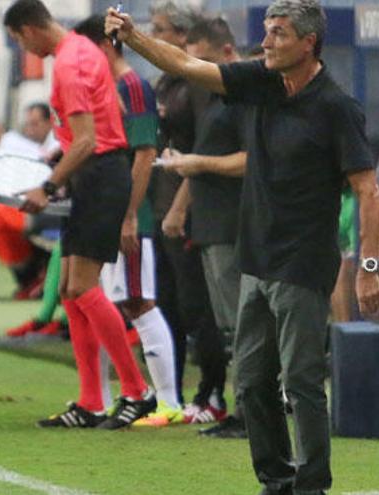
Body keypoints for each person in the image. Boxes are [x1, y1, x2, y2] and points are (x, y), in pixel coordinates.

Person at [107, 1, 379, 493]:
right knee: (252, 381)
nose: (268, 41)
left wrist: (367, 266)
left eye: (279, 34)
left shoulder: (336, 107)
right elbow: (187, 65)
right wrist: (133, 38)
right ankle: (276, 480)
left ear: (308, 43)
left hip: (303, 263)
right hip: (254, 259)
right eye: (267, 31)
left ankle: (312, 484)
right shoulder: (259, 80)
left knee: (300, 382)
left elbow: (367, 189)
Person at [4, 0, 156, 429]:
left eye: (18, 41)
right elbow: (111, 118)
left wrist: (48, 186)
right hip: (95, 173)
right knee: (71, 288)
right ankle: (91, 400)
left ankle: (136, 390)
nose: (24, 49)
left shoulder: (70, 63)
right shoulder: (84, 50)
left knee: (85, 288)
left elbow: (87, 140)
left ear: (29, 30)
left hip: (100, 172)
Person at [74, 14, 182, 426]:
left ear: (104, 47)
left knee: (139, 301)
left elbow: (144, 153)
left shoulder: (132, 87)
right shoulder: (110, 88)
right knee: (108, 302)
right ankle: (107, 398)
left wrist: (130, 214)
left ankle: (169, 403)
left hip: (129, 216)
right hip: (109, 212)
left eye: (85, 52)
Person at [160, 17, 247, 434]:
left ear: (227, 53)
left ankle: (252, 411)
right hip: (211, 224)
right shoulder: (214, 97)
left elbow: (252, 159)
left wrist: (198, 164)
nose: (199, 74)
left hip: (234, 223)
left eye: (205, 62)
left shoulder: (242, 97)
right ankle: (240, 406)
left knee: (242, 323)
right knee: (228, 324)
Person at [146, 1, 218, 414]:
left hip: (187, 209)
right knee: (167, 303)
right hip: (160, 203)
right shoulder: (166, 83)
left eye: (159, 30)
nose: (152, 38)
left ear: (181, 37)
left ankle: (211, 392)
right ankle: (168, 395)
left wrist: (178, 207)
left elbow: (201, 151)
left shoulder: (197, 85)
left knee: (198, 306)